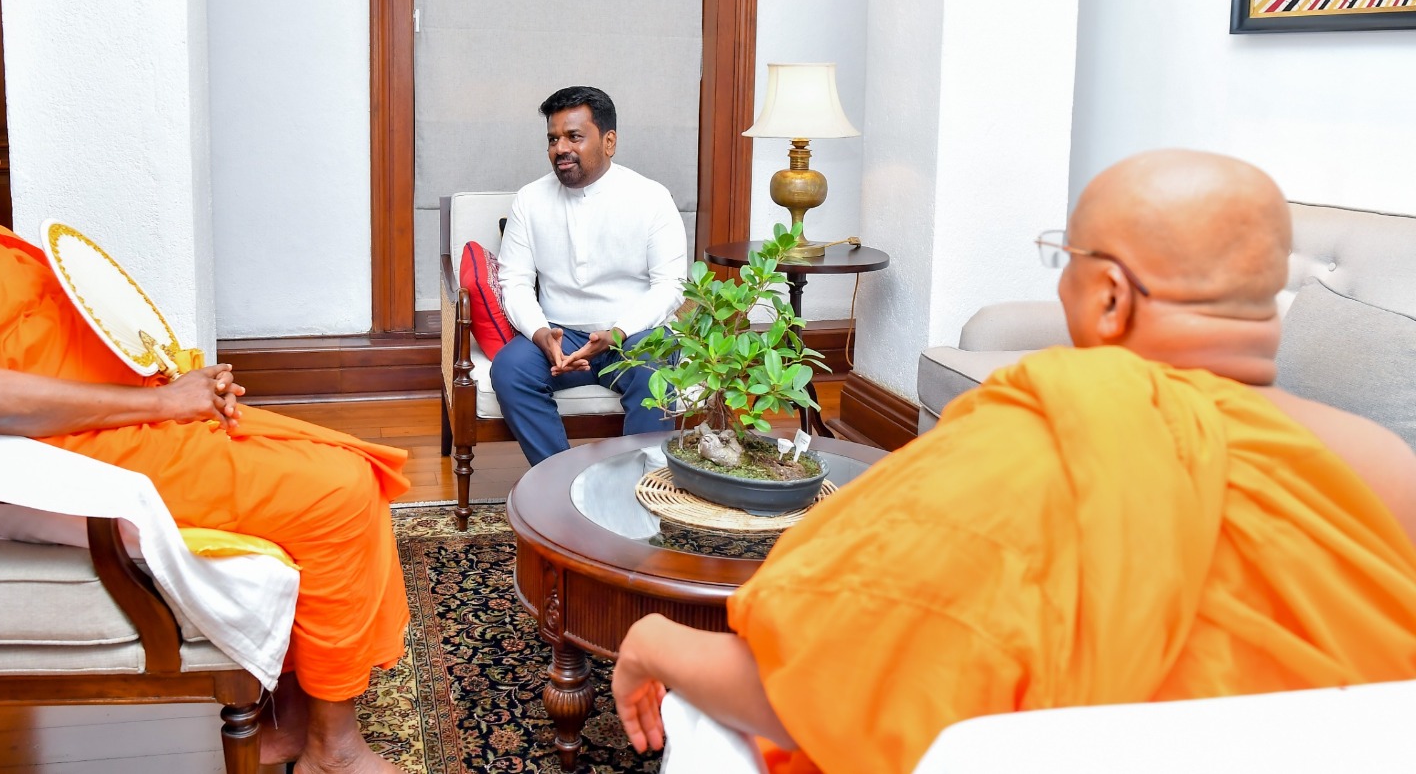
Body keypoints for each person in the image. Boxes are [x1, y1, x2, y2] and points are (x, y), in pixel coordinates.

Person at [610, 149, 1416, 774]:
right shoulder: (1385, 470)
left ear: (1109, 295)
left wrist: (651, 639)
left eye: (1065, 258)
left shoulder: (1014, 455)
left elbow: (810, 692)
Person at [0, 80, 408, 774]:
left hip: (103, 420)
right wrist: (165, 404)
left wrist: (169, 380)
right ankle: (334, 753)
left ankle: (291, 725)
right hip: (63, 450)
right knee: (337, 492)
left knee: (336, 459)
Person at [491, 86, 687, 464]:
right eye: (553, 139)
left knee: (652, 371)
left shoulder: (651, 198)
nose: (560, 148)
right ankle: (560, 478)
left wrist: (619, 332)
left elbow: (671, 286)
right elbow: (514, 281)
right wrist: (540, 334)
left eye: (574, 136)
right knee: (510, 370)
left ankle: (638, 483)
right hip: (560, 336)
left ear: (609, 141)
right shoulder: (530, 200)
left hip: (635, 336)